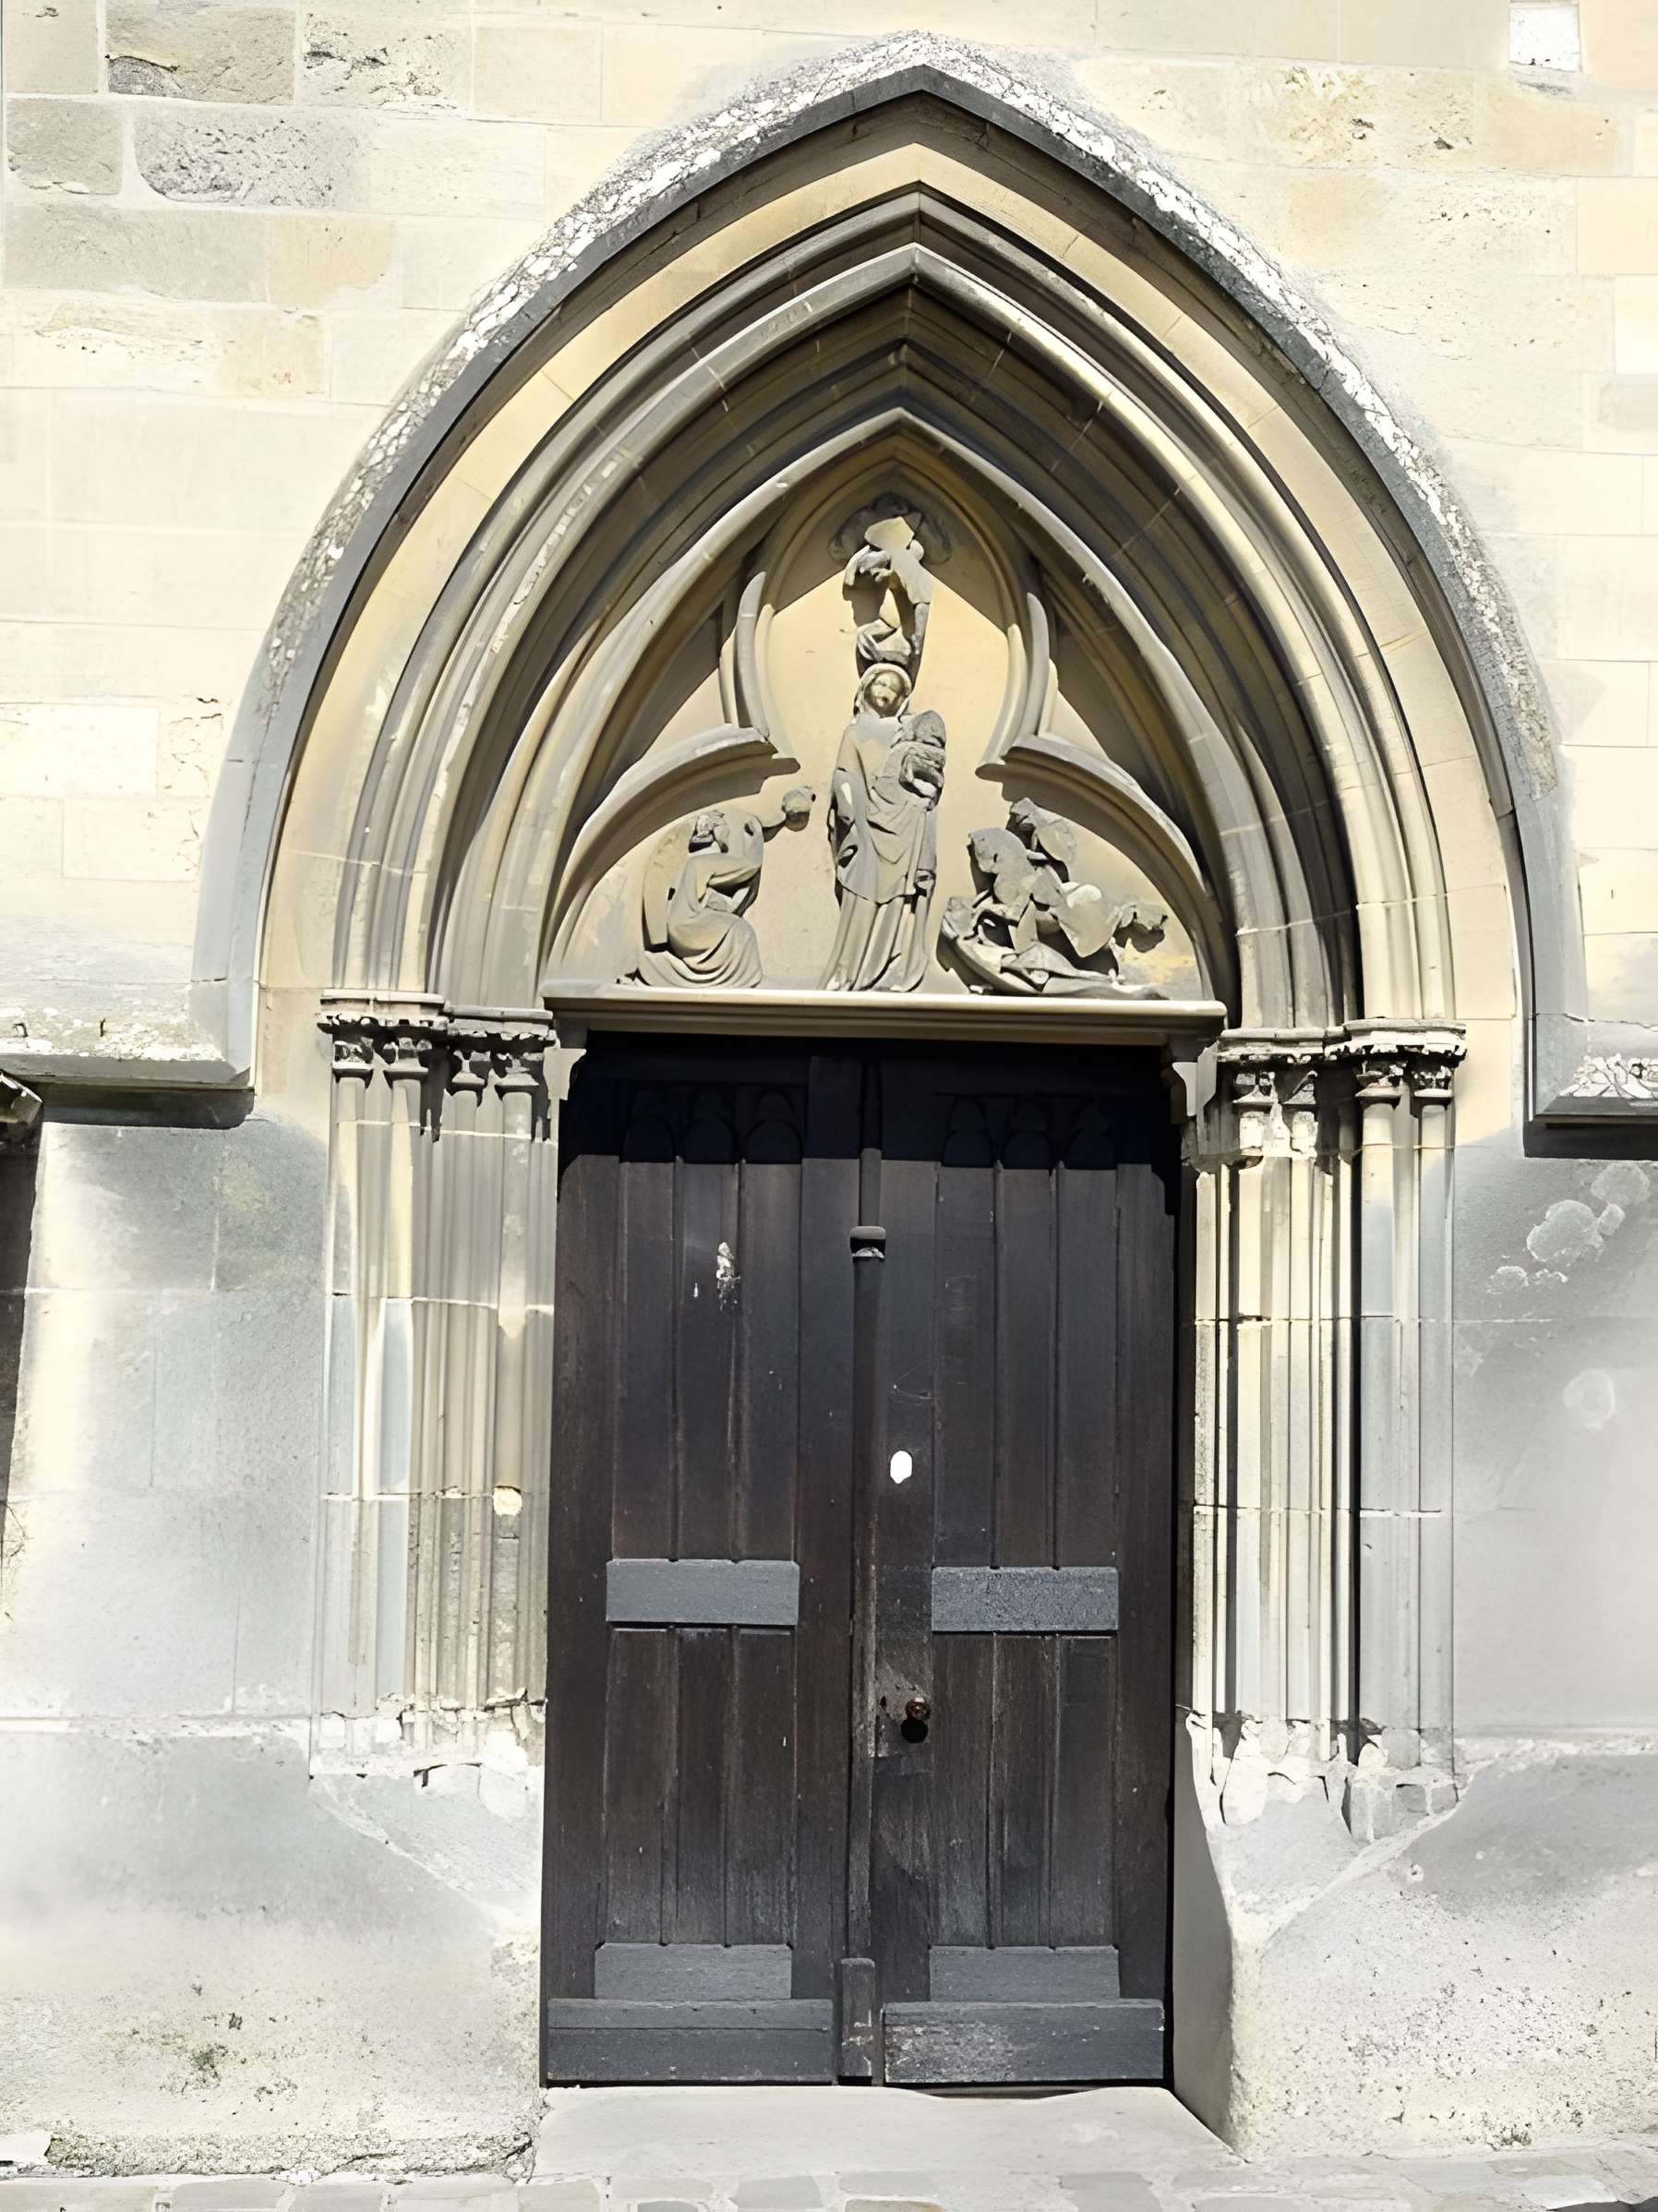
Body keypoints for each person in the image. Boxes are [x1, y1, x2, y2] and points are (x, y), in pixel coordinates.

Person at [821, 666, 945, 992]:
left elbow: (928, 774)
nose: (886, 690)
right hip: (867, 824)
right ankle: (850, 970)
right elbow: (844, 772)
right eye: (881, 682)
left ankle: (888, 964)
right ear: (866, 687)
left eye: (894, 687)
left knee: (897, 898)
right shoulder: (856, 731)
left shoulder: (908, 730)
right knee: (861, 892)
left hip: (904, 825)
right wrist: (846, 806)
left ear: (903, 699)